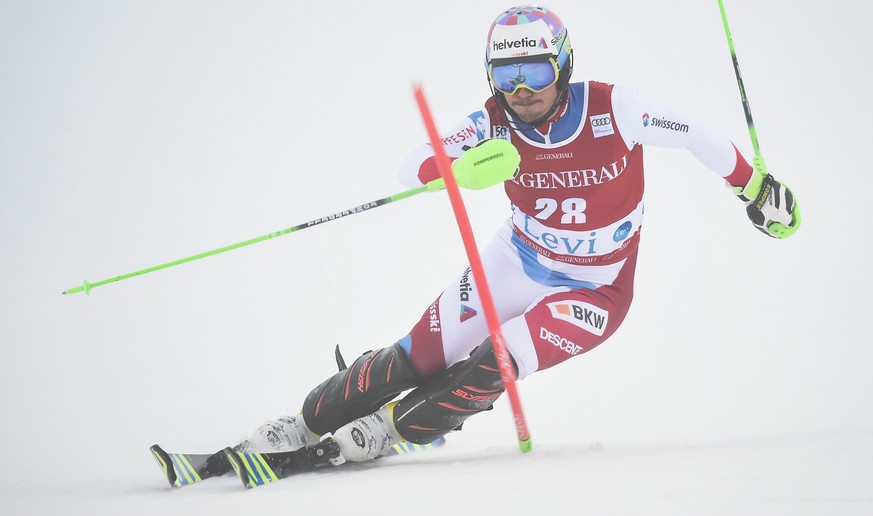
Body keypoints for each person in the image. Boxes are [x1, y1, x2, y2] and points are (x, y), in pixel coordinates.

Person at [240, 4, 801, 463]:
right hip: (516, 261)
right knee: (417, 358)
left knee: (496, 360)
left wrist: (754, 188)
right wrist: (455, 169)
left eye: (535, 70)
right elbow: (414, 164)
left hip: (596, 290)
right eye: (505, 75)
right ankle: (303, 422)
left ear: (563, 64)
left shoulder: (616, 107)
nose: (520, 89)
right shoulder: (494, 122)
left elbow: (697, 134)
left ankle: (390, 430)